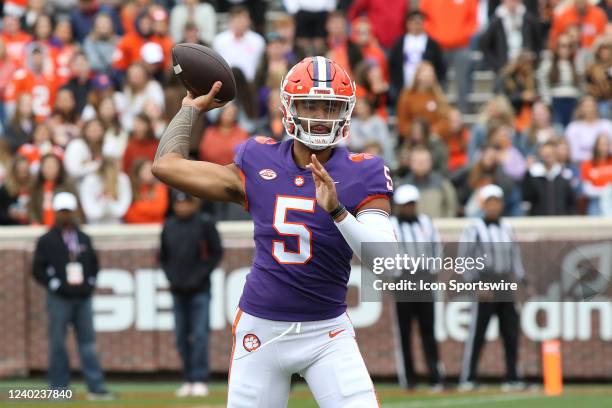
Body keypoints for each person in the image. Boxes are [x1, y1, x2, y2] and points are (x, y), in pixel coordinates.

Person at [152, 56, 396, 407]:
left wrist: (338, 211)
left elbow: (385, 258)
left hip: (326, 331)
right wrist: (189, 109)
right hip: (261, 328)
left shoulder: (363, 171)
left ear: (345, 112)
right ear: (288, 108)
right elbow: (165, 166)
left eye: (329, 107)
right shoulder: (258, 158)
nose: (318, 116)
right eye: (310, 104)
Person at [32, 191, 113, 400]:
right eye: (62, 211)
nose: (66, 215)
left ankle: (96, 387)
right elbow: (37, 269)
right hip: (59, 298)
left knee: (88, 343)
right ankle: (59, 389)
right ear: (56, 213)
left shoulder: (83, 237)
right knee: (58, 342)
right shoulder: (47, 240)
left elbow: (94, 264)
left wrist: (90, 283)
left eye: (68, 211)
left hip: (82, 297)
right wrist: (54, 283)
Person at [458, 184, 527, 392]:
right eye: (490, 202)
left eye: (497, 201)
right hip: (485, 281)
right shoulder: (474, 228)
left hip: (504, 281)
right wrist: (476, 284)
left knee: (511, 332)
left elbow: (515, 255)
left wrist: (522, 279)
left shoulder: (507, 227)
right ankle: (468, 377)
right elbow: (464, 260)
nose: (494, 206)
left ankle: (513, 376)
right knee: (478, 332)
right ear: (483, 204)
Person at [160, 191, 223, 398]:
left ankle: (200, 378)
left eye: (186, 203)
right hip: (178, 290)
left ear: (193, 204)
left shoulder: (204, 223)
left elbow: (216, 252)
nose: (182, 207)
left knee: (200, 335)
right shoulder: (168, 225)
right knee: (180, 336)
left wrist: (200, 275)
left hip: (199, 290)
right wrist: (171, 277)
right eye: (179, 204)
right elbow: (163, 256)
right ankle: (188, 378)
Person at [390, 184, 443, 391]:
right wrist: (395, 274)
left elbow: (436, 247)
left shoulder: (425, 223)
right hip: (403, 280)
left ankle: (435, 376)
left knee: (428, 329)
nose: (410, 208)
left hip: (424, 279)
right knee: (404, 332)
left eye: (412, 204)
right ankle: (408, 378)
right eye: (406, 204)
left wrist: (432, 271)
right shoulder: (391, 223)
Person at [420, 0, 478, 113]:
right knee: (438, 82)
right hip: (438, 47)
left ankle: (463, 111)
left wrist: (461, 36)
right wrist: (436, 36)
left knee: (463, 81)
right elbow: (424, 17)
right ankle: (439, 111)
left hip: (461, 46)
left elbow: (473, 19)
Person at [389, 10, 445, 100]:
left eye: (419, 22)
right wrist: (396, 85)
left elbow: (439, 66)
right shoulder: (399, 43)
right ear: (408, 23)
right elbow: (393, 65)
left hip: (426, 90)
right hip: (403, 88)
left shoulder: (432, 44)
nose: (416, 24)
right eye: (413, 21)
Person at [479, 0, 541, 73]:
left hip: (525, 68)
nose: (512, 3)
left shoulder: (528, 19)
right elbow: (485, 45)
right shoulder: (496, 20)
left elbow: (538, 42)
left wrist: (533, 60)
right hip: (504, 67)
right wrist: (497, 65)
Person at [537, 33, 582, 128]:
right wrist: (547, 101)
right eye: (563, 46)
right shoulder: (548, 63)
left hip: (573, 100)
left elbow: (581, 84)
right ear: (557, 47)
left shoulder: (576, 64)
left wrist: (579, 102)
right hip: (555, 100)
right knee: (558, 128)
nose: (566, 50)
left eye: (569, 46)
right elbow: (542, 83)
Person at [399, 147, 457, 218]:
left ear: (431, 162)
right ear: (410, 162)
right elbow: (398, 211)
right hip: (412, 227)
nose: (421, 164)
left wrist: (446, 223)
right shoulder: (404, 186)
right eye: (417, 161)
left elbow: (452, 207)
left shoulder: (443, 184)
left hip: (439, 226)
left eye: (424, 161)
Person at [212, 6, 265, 83]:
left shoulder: (258, 41)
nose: (240, 23)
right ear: (230, 21)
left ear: (249, 21)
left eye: (243, 19)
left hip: (250, 84)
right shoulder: (219, 41)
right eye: (237, 20)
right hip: (225, 83)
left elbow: (259, 65)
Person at [522, 140, 576, 215]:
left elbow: (570, 202)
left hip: (561, 219)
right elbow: (527, 197)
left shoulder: (564, 175)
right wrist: (527, 173)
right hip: (539, 219)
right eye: (545, 154)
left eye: (551, 153)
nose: (548, 156)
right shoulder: (534, 175)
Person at [28, 153, 77, 226]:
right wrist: (35, 222)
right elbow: (31, 208)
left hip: (62, 228)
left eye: (53, 166)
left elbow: (75, 210)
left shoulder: (68, 187)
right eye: (47, 166)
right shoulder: (36, 187)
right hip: (41, 228)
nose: (50, 169)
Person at [565, 95, 612, 164]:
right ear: (580, 108)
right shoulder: (573, 127)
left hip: (606, 163)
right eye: (586, 106)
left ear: (596, 107)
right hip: (580, 164)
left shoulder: (607, 125)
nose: (589, 109)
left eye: (591, 106)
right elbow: (573, 153)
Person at [124, 159, 168, 223]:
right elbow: (127, 213)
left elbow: (159, 209)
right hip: (135, 227)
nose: (150, 173)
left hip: (157, 227)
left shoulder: (160, 188)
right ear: (138, 172)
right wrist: (150, 202)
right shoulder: (130, 188)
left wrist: (140, 205)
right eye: (146, 170)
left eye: (151, 169)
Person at [580, 134, 612, 215]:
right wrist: (605, 190)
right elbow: (586, 189)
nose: (604, 147)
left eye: (606, 144)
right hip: (595, 202)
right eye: (602, 144)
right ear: (596, 146)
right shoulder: (588, 164)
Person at [0, 156, 31, 225]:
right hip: (11, 228)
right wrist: (9, 215)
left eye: (25, 170)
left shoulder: (34, 188)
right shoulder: (5, 190)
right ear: (14, 171)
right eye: (20, 170)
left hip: (31, 227)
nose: (23, 174)